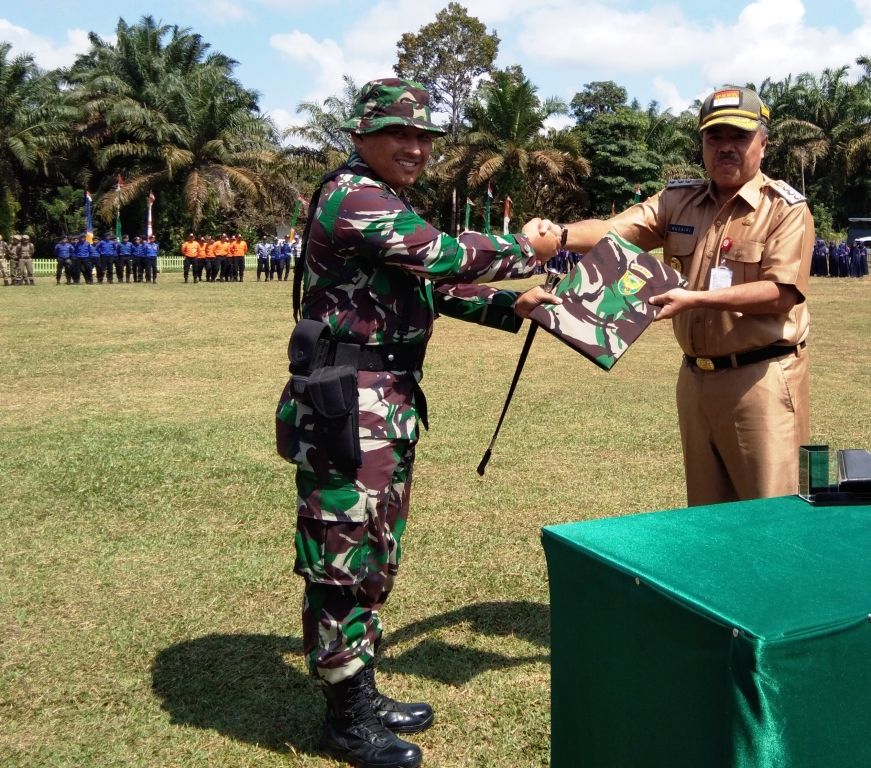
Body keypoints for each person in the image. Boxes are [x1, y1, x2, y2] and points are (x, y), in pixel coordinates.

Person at [276, 77, 559, 768]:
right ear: (360, 136)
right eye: (398, 134)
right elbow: (444, 256)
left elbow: (434, 286)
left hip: (385, 401)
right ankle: (345, 718)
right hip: (350, 403)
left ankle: (360, 691)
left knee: (375, 548)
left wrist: (506, 307)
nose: (413, 148)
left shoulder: (388, 198)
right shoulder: (355, 197)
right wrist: (527, 248)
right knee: (341, 555)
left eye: (422, 138)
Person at [546, 86, 813, 507]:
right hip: (695, 380)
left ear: (763, 142)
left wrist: (694, 299)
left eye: (739, 137)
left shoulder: (785, 209)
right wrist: (558, 235)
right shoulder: (678, 201)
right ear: (702, 143)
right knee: (705, 517)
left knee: (770, 514)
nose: (725, 148)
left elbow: (780, 294)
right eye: (714, 137)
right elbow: (617, 231)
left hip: (760, 380)